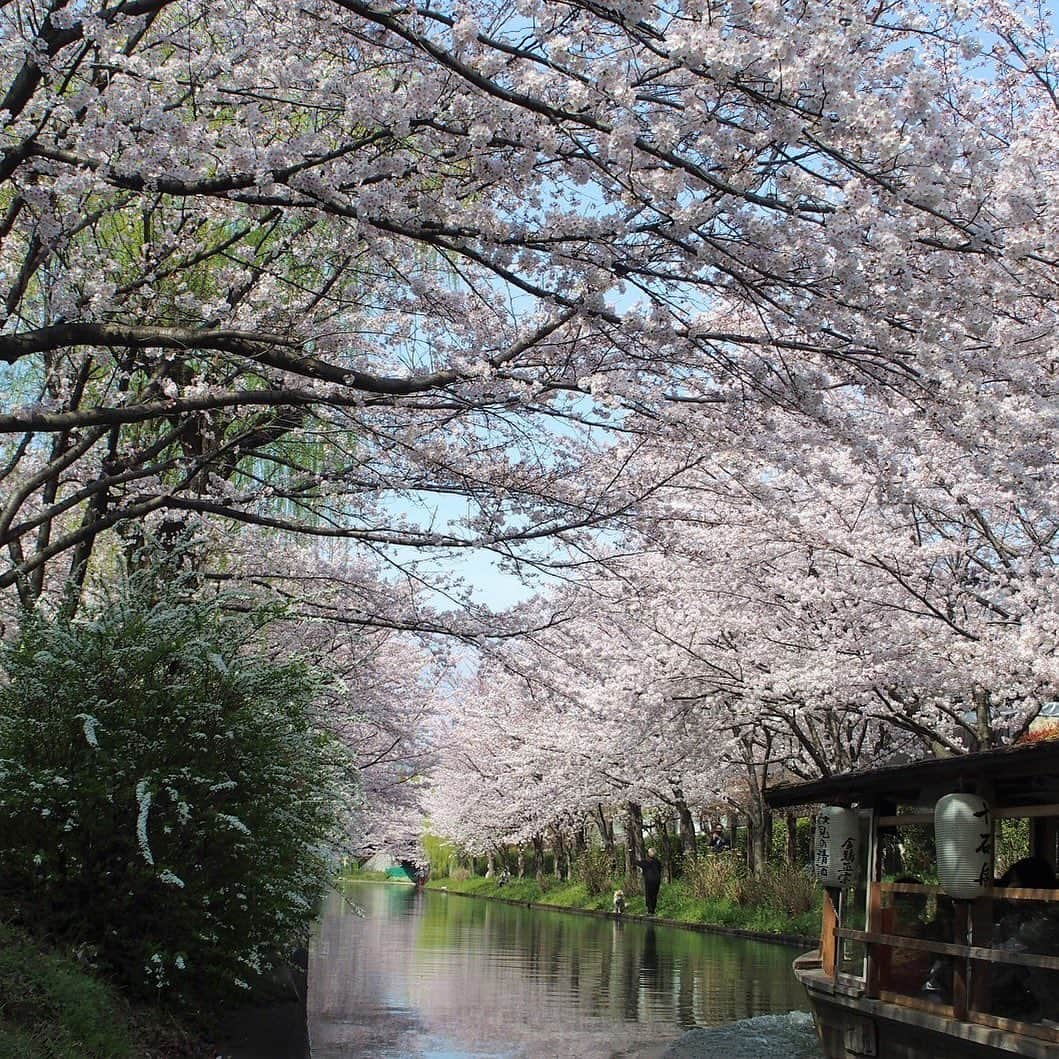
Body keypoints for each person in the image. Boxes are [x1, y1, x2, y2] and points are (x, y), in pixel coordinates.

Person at [636, 847, 663, 914]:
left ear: (649, 854)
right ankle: (653, 909)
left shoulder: (646, 862)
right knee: (654, 895)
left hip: (649, 880)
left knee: (649, 895)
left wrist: (631, 853)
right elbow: (660, 869)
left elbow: (638, 863)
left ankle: (649, 910)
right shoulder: (658, 861)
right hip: (657, 880)